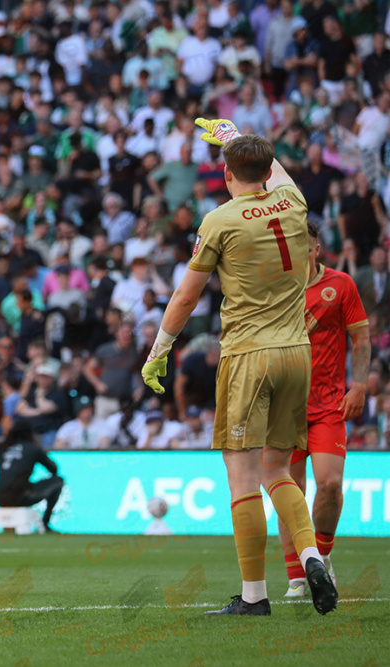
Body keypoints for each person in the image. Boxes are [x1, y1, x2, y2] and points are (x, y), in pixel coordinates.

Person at [141, 119, 336, 616]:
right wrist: (235, 136)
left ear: (227, 173)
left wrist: (159, 349)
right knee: (278, 469)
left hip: (249, 355)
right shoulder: (294, 205)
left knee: (243, 476)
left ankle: (254, 596)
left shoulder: (220, 220)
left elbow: (186, 296)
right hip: (298, 354)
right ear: (268, 169)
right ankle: (313, 556)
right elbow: (280, 175)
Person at [279, 220, 370, 597]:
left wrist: (360, 384)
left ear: (316, 249)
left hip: (329, 404)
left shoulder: (341, 284)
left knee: (329, 485)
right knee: (291, 489)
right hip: (284, 406)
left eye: (307, 244)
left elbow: (361, 339)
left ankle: (323, 556)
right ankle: (297, 577)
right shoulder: (275, 289)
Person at [0, 418, 63, 532]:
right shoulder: (32, 448)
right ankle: (45, 524)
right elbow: (54, 469)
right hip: (19, 497)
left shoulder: (2, 448)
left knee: (16, 484)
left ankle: (9, 526)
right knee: (58, 481)